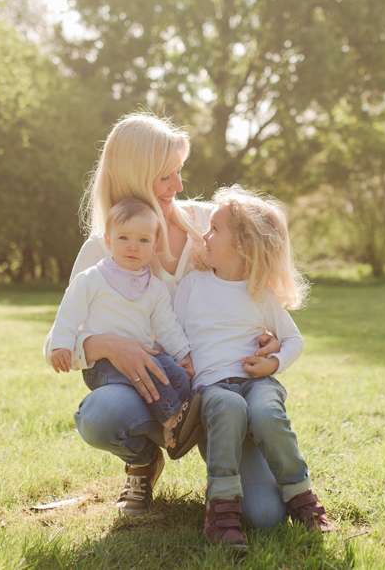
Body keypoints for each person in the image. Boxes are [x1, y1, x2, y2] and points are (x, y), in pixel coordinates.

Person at [63, 112, 286, 523]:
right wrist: (109, 345)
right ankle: (143, 460)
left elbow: (257, 276)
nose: (179, 186)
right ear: (135, 176)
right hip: (151, 392)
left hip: (223, 389)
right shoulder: (104, 249)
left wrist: (270, 332)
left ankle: (222, 453)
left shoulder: (209, 223)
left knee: (266, 517)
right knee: (100, 415)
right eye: (167, 176)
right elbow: (65, 341)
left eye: (180, 172)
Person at [174, 186, 331, 550]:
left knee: (266, 412)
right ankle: (222, 508)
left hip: (255, 382)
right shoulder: (193, 285)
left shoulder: (260, 293)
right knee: (228, 408)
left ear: (243, 245)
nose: (205, 236)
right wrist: (182, 360)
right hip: (213, 388)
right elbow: (172, 333)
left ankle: (302, 499)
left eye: (214, 229)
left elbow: (294, 340)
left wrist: (272, 363)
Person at [43, 198, 197, 452]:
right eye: (123, 238)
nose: (132, 247)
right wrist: (61, 346)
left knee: (178, 376)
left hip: (145, 357)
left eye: (143, 240)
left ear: (155, 245)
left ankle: (186, 416)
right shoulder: (92, 278)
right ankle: (172, 424)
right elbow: (68, 313)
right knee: (152, 378)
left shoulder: (154, 287)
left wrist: (185, 354)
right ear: (107, 241)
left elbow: (167, 326)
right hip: (103, 366)